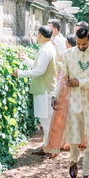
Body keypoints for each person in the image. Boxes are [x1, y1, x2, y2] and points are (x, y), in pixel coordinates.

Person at [46, 28, 89, 178]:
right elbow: (62, 79)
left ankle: (86, 170)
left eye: (84, 44)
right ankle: (73, 160)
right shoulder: (67, 54)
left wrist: (80, 83)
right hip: (73, 101)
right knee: (74, 135)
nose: (80, 46)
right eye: (78, 44)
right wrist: (54, 94)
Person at [12, 25, 57, 155]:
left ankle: (49, 148)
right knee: (46, 120)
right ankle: (48, 146)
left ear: (40, 35)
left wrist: (20, 73)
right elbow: (39, 66)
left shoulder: (45, 50)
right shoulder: (48, 47)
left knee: (46, 121)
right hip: (44, 88)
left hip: (44, 89)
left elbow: (39, 71)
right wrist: (25, 59)